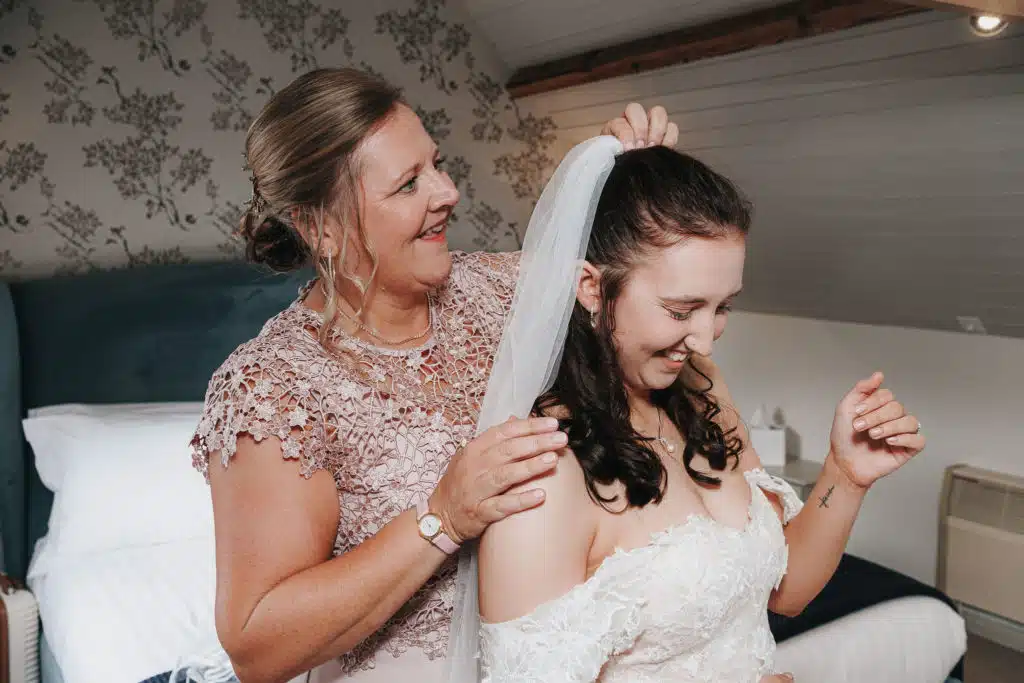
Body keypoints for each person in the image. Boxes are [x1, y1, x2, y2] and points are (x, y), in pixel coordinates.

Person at [188, 67, 678, 683]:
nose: (448, 192)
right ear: (320, 227)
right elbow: (257, 647)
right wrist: (441, 518)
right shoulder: (274, 387)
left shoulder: (505, 291)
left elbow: (643, 289)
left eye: (437, 166)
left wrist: (621, 178)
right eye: (408, 184)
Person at [471, 138, 926, 682]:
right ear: (592, 287)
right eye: (681, 310)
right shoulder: (542, 468)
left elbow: (785, 591)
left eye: (723, 306)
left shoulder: (701, 391)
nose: (706, 341)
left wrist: (846, 476)